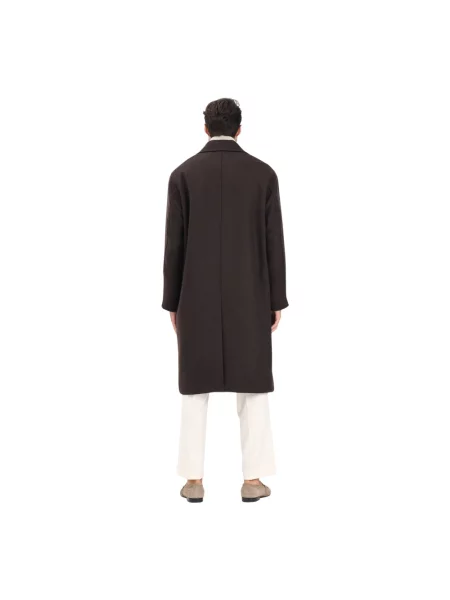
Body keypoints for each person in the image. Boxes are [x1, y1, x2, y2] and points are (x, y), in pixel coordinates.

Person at [162, 98, 288, 503]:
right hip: (250, 295)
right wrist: (277, 299)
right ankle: (253, 480)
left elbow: (173, 246)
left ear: (205, 129)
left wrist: (172, 302)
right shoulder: (263, 174)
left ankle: (193, 480)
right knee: (252, 388)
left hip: (194, 296)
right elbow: (273, 242)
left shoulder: (182, 175)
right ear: (239, 128)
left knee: (194, 390)